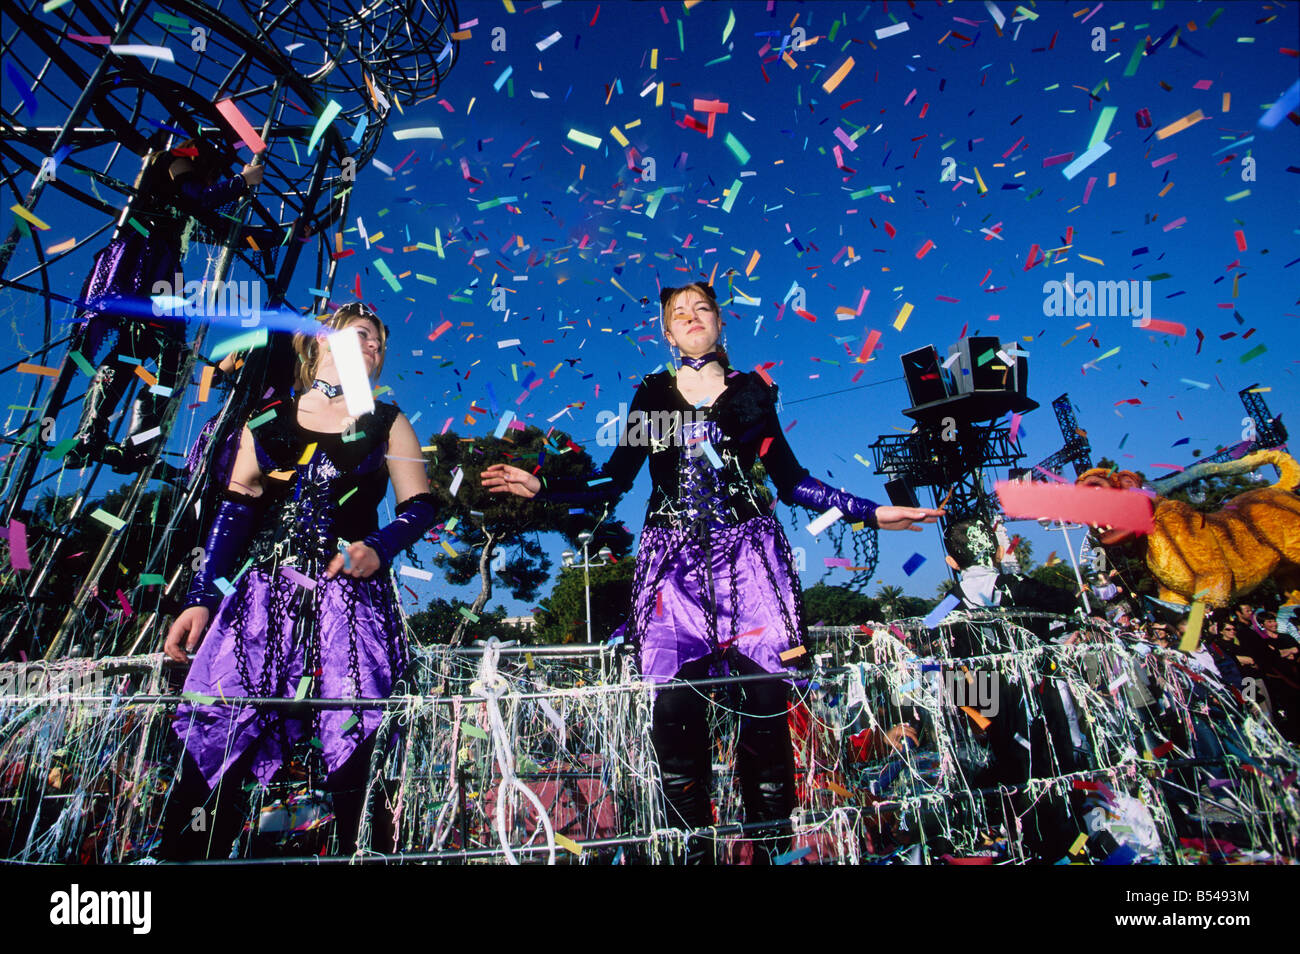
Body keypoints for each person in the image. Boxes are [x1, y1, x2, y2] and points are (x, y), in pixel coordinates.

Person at [482, 281, 943, 864]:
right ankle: (694, 850)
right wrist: (544, 486)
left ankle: (772, 850)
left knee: (767, 709)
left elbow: (792, 480)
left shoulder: (753, 392)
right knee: (674, 713)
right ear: (667, 333)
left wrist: (872, 511)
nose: (691, 316)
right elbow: (616, 477)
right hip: (672, 565)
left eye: (702, 307)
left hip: (749, 560)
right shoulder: (650, 394)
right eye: (679, 312)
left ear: (720, 323)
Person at [159, 303, 438, 858]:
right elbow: (235, 512)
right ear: (319, 344)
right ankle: (186, 855)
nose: (374, 348)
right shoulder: (267, 420)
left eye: (380, 343)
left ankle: (364, 852)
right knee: (219, 731)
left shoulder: (388, 421)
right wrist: (198, 601)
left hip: (349, 606)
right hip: (262, 602)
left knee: (355, 733)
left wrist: (378, 547)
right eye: (361, 336)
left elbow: (422, 506)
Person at [64, 136, 271, 476]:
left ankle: (126, 443)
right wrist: (241, 182)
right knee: (156, 351)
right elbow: (199, 199)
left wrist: (286, 234)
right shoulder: (175, 161)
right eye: (213, 171)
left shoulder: (182, 188)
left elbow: (221, 226)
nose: (211, 178)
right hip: (142, 263)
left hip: (158, 268)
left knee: (158, 355)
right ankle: (95, 434)